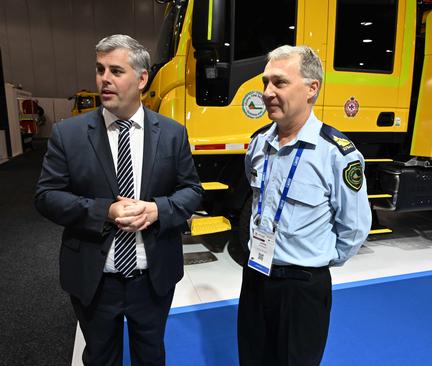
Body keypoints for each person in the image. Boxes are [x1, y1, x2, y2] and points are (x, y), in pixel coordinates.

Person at [35, 34, 202, 365]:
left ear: (142, 79)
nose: (104, 80)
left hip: (152, 277)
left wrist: (157, 209)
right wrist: (104, 211)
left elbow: (192, 191)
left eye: (115, 70)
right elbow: (46, 197)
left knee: (150, 354)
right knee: (100, 357)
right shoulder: (68, 134)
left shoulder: (172, 133)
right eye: (100, 70)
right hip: (95, 279)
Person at [238, 45, 372, 365]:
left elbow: (354, 228)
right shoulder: (259, 143)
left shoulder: (337, 153)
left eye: (279, 83)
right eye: (265, 82)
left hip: (302, 288)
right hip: (256, 275)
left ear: (312, 88)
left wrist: (312, 263)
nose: (268, 92)